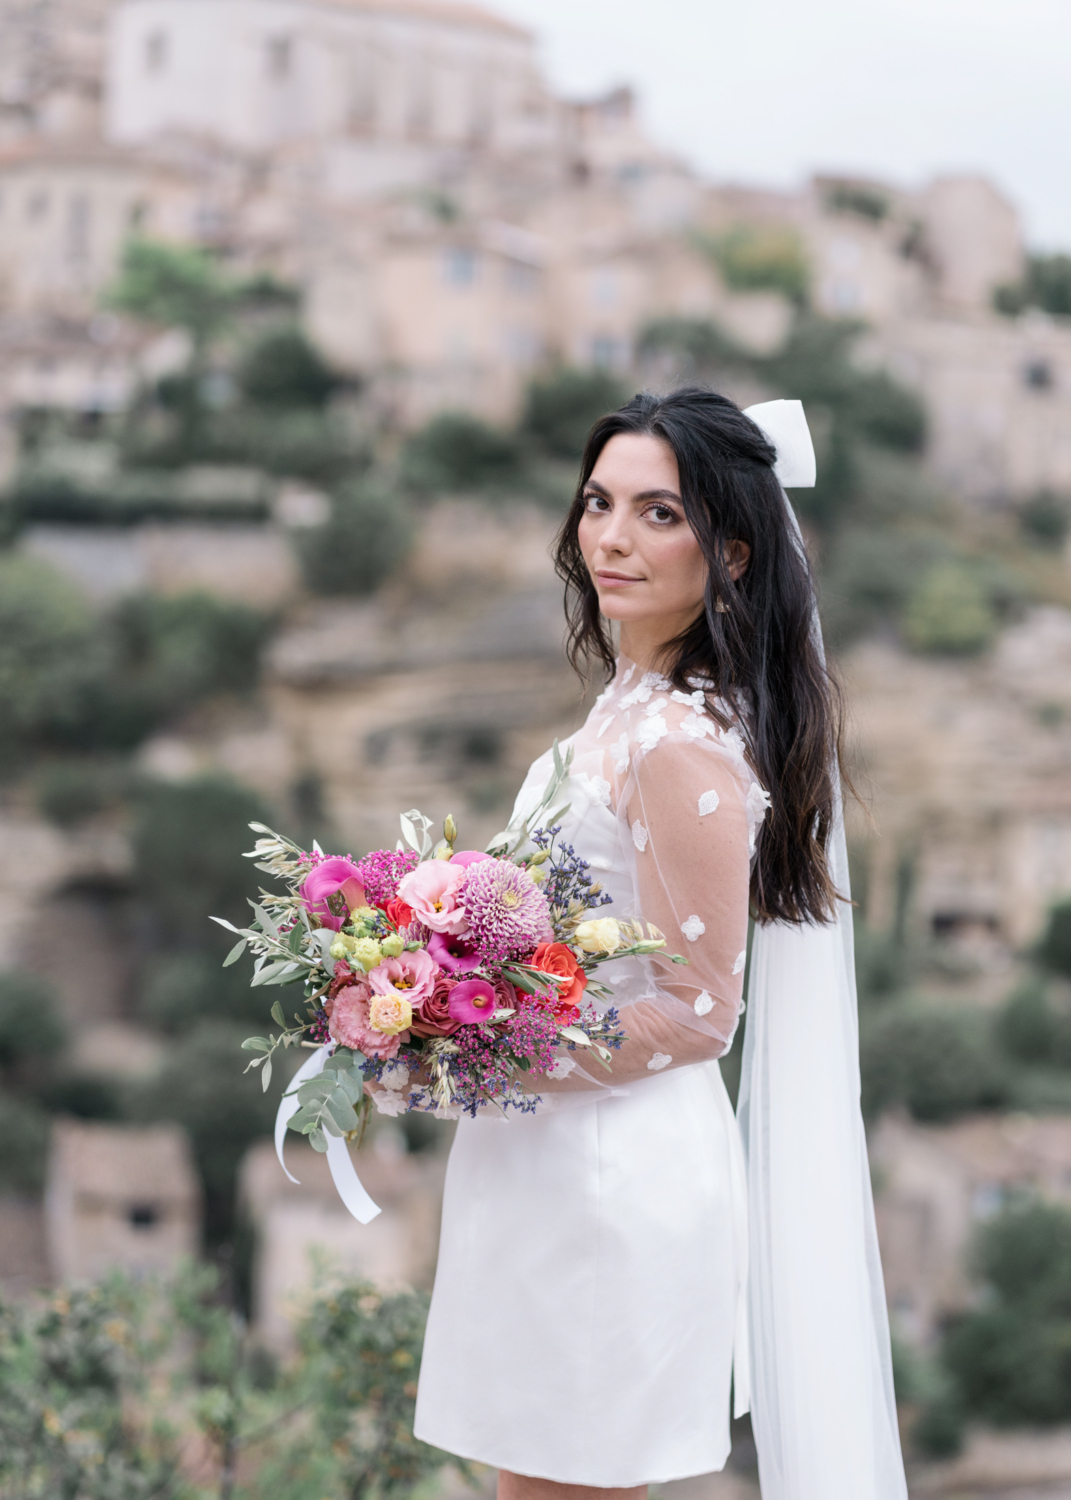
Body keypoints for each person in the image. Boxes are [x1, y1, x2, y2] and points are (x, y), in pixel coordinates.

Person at [413, 388, 907, 1500]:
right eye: (599, 502)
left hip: (612, 1179)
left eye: (659, 513)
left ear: (731, 552)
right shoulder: (629, 707)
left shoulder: (680, 746)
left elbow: (697, 1014)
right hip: (546, 1164)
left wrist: (471, 1050)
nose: (614, 537)